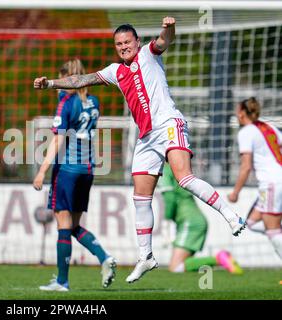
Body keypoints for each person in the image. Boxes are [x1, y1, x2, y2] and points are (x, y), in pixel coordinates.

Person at [34, 17, 246, 284]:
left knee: (184, 178)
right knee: (140, 196)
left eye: (127, 42)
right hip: (146, 137)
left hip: (168, 123)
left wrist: (168, 27)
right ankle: (146, 256)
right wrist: (51, 84)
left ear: (136, 42)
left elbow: (164, 40)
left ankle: (231, 216)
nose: (123, 47)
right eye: (118, 44)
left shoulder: (148, 53)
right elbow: (81, 80)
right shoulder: (114, 71)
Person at [33, 59, 117, 292]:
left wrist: (41, 171)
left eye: (61, 80)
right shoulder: (94, 101)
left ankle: (62, 281)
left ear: (70, 80)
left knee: (63, 223)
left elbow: (59, 139)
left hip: (67, 170)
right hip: (87, 169)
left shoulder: (67, 103)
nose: (58, 86)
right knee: (75, 225)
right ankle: (104, 257)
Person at [159, 164, 243, 274]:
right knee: (181, 264)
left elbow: (170, 198)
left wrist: (166, 222)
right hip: (192, 220)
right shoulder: (173, 167)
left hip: (189, 223)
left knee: (175, 267)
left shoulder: (164, 170)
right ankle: (220, 259)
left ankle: (219, 259)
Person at [228, 97, 282, 259]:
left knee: (272, 230)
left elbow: (246, 167)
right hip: (276, 181)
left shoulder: (247, 132)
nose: (237, 115)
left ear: (243, 113)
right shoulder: (270, 127)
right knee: (251, 223)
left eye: (238, 111)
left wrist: (235, 192)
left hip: (272, 183)